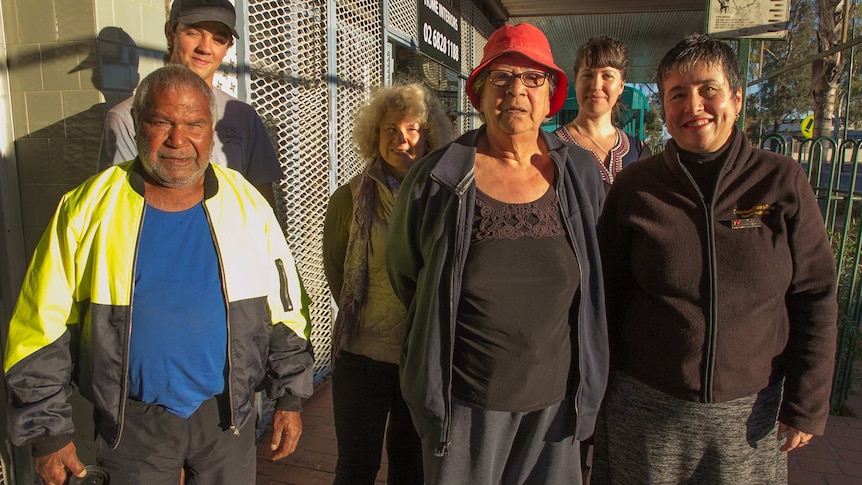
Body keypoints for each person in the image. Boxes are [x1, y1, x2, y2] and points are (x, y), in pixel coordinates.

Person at [4, 65, 314, 485]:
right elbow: (39, 329)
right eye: (161, 121)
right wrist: (46, 432)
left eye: (194, 124)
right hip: (133, 428)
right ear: (137, 125)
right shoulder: (84, 209)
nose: (178, 139)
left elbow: (285, 309)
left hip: (226, 419)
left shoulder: (248, 206)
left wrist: (291, 397)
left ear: (211, 130)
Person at [592, 34, 838, 484]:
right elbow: (605, 297)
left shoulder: (781, 181)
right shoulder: (634, 188)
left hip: (749, 417)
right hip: (646, 409)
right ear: (664, 107)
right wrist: (593, 393)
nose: (694, 105)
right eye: (677, 94)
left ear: (737, 99)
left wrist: (807, 402)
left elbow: (814, 295)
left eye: (708, 89)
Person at [385, 23, 608, 484]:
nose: (516, 91)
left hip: (555, 412)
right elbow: (409, 277)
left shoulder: (580, 174)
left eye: (532, 79)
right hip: (465, 407)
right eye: (502, 78)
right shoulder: (436, 178)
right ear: (480, 95)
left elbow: (597, 277)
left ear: (550, 97)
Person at [322, 83, 453, 484]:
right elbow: (336, 272)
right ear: (374, 136)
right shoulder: (348, 199)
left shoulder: (446, 197)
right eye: (390, 129)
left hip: (420, 357)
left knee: (411, 463)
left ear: (428, 135)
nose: (401, 138)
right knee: (356, 466)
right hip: (361, 353)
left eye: (412, 128)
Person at [98, 0, 281, 205]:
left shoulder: (243, 117)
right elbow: (119, 204)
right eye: (193, 33)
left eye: (219, 39)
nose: (205, 48)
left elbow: (263, 202)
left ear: (229, 46)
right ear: (170, 32)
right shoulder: (125, 117)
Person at [553, 36, 650, 188]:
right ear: (576, 82)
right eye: (587, 75)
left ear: (621, 85)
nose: (596, 85)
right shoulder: (551, 148)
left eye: (607, 76)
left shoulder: (639, 152)